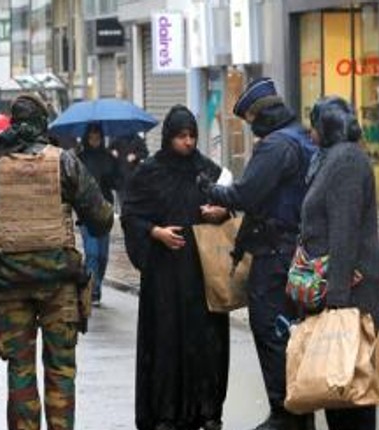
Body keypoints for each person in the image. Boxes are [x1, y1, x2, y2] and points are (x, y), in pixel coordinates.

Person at [0, 94, 113, 430]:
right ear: (43, 124)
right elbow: (101, 220)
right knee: (61, 371)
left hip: (10, 285)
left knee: (20, 372)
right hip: (60, 284)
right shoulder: (65, 162)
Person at [197, 78, 316, 430]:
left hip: (275, 253)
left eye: (249, 121)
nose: (250, 129)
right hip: (296, 248)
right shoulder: (302, 138)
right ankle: (299, 410)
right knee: (292, 332)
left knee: (270, 327)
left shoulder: (275, 146)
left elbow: (247, 194)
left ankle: (285, 411)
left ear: (259, 116)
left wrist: (210, 189)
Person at [122, 105, 229, 430]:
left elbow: (229, 205)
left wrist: (220, 212)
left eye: (193, 136)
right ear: (169, 137)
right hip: (164, 276)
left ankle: (206, 410)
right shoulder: (150, 172)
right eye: (182, 136)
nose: (188, 142)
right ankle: (165, 412)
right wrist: (156, 232)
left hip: (201, 274)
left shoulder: (207, 171)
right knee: (166, 341)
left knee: (205, 342)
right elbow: (131, 214)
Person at [299, 96, 379, 429]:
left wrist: (336, 300)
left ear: (327, 127)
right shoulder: (331, 158)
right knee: (340, 389)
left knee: (353, 389)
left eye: (315, 124)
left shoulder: (346, 161)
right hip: (343, 290)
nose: (310, 133)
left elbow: (344, 230)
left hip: (351, 295)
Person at [77, 124, 119, 306]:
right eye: (91, 136)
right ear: (87, 138)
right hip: (86, 212)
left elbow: (117, 181)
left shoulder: (109, 158)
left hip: (104, 211)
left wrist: (114, 170)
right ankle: (92, 291)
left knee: (102, 256)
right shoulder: (79, 159)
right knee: (92, 253)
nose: (95, 140)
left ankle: (96, 284)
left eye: (97, 136)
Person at [108, 132, 149, 207]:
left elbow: (145, 153)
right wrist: (112, 152)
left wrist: (135, 155)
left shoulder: (137, 139)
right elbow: (108, 149)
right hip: (119, 175)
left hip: (133, 175)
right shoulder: (116, 137)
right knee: (122, 201)